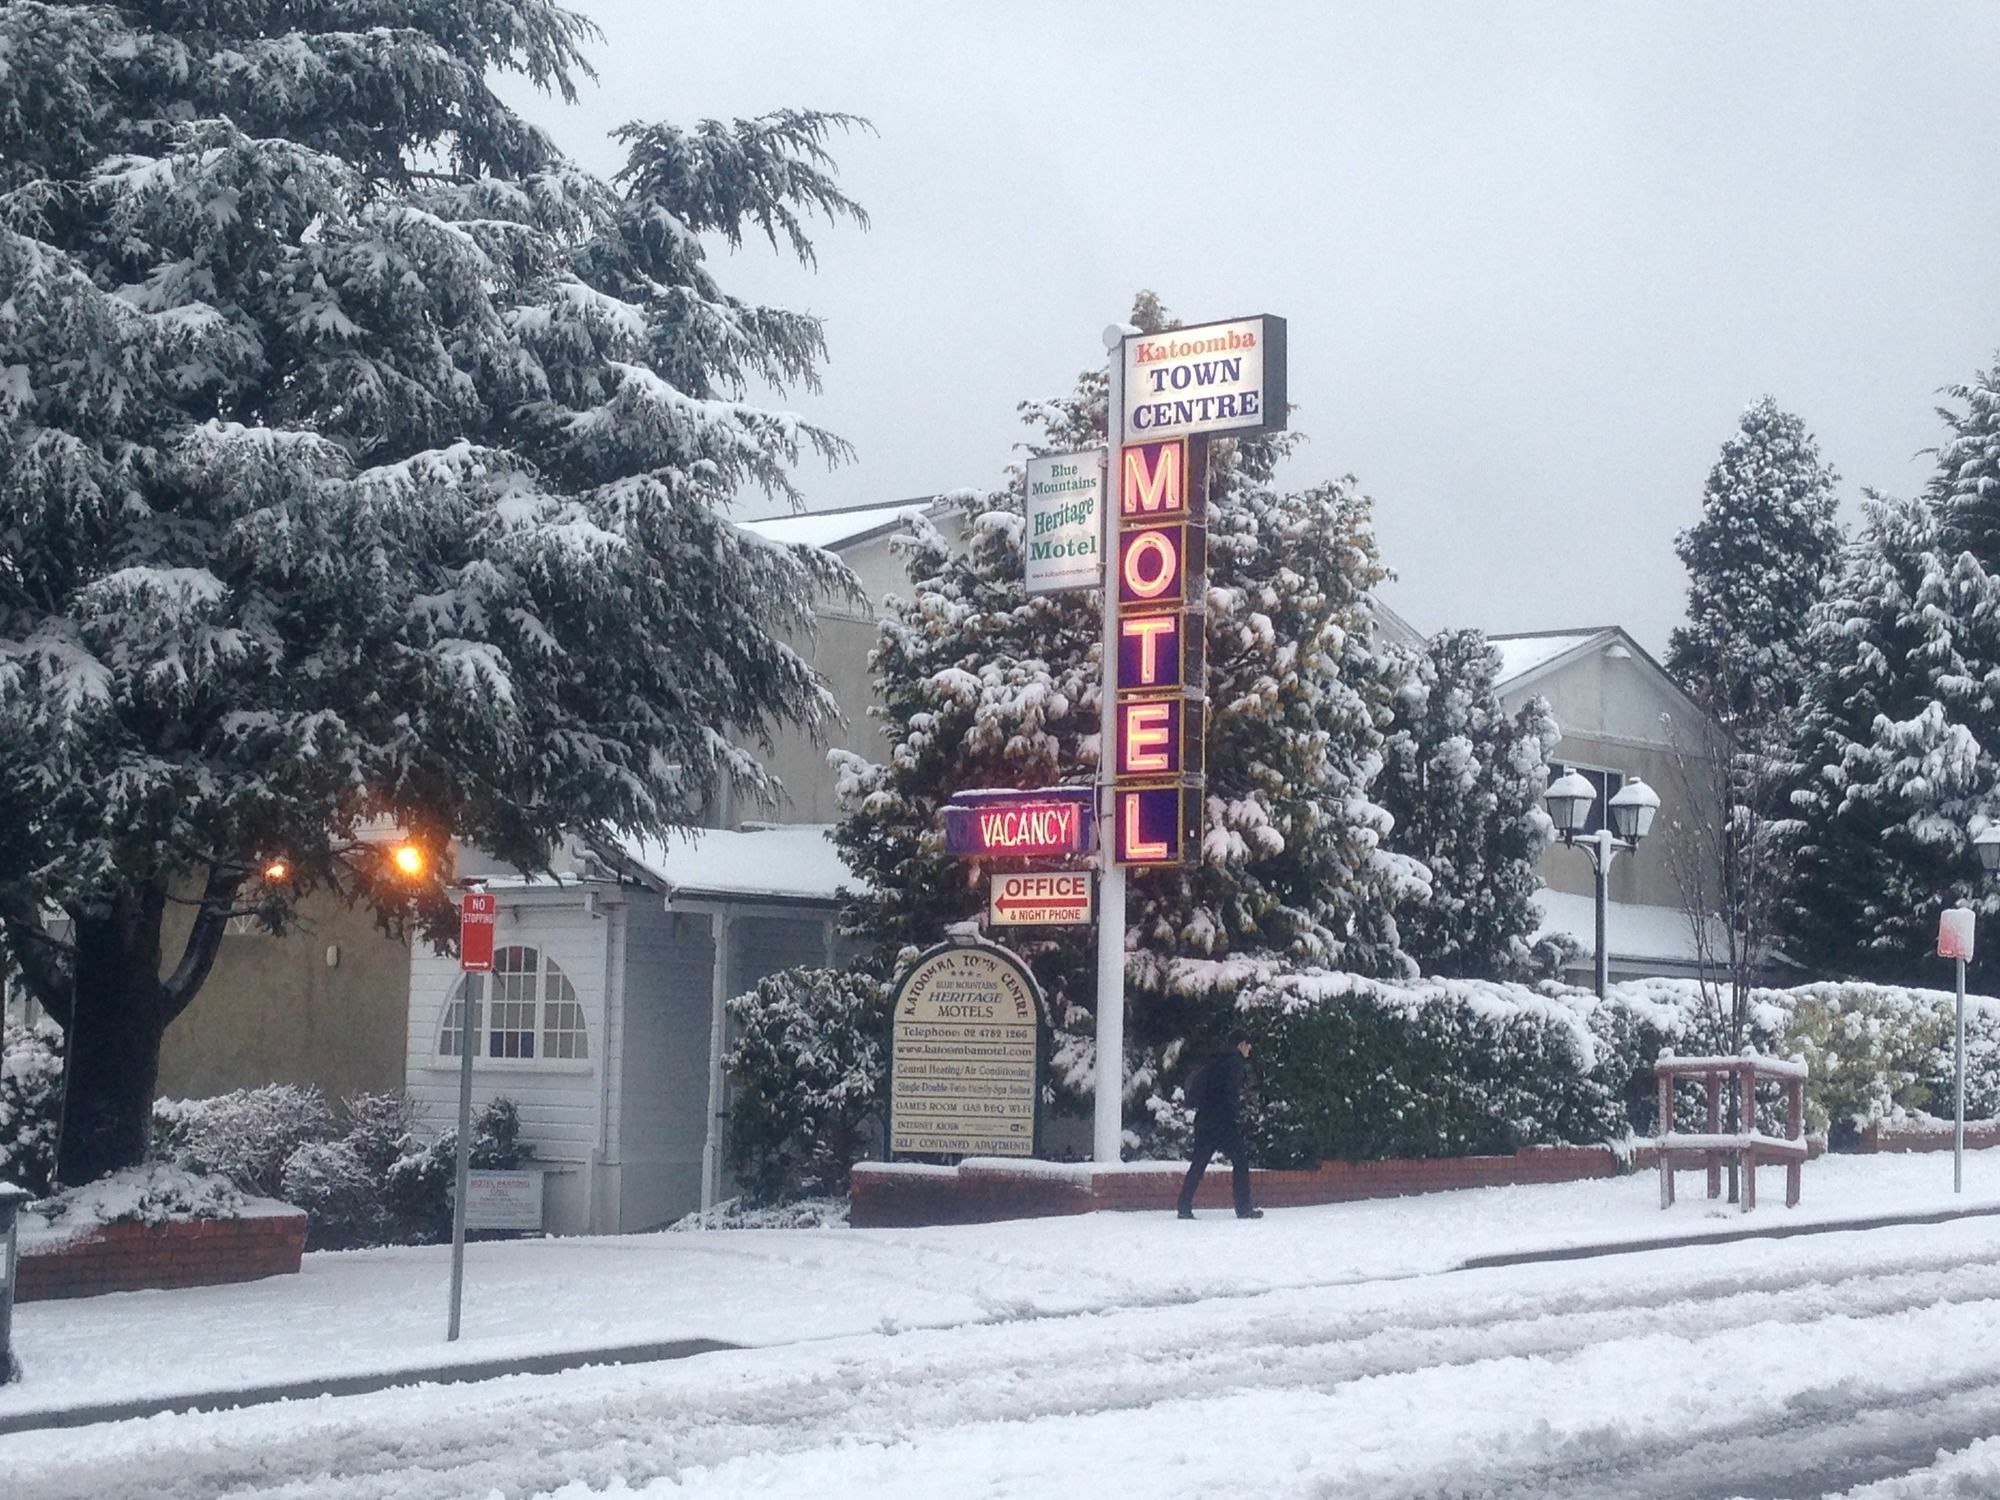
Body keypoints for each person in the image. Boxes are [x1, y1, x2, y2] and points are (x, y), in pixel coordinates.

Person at [1176, 1028, 1262, 1219]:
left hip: (1204, 1118)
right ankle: (1243, 1208)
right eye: (1249, 1044)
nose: (1250, 1049)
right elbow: (1230, 1092)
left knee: (1198, 1163)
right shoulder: (1234, 1061)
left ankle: (1184, 1205)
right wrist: (1235, 1114)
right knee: (1240, 1161)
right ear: (1241, 1044)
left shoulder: (1215, 1059)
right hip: (1223, 1121)